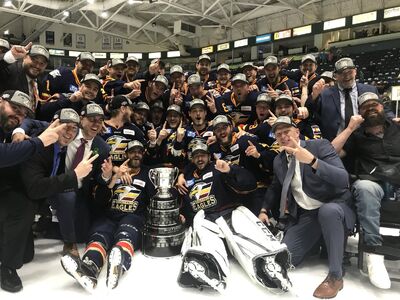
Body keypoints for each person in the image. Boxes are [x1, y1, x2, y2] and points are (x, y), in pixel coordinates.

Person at [259, 116, 356, 299]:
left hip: (335, 206)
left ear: (297, 131)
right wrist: (264, 210)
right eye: (278, 134)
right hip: (307, 214)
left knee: (328, 212)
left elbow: (343, 179)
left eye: (286, 131)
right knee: (287, 258)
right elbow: (275, 187)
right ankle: (316, 241)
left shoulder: (319, 146)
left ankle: (336, 276)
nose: (282, 136)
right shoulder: (279, 160)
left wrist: (312, 161)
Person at [177, 142, 291, 293]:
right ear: (191, 159)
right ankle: (206, 266)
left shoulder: (220, 167)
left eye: (203, 155)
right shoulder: (187, 179)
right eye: (196, 156)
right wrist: (184, 215)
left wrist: (230, 171)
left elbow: (249, 183)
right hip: (205, 217)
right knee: (203, 232)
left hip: (228, 212)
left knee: (243, 231)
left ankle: (268, 262)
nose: (200, 159)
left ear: (209, 156)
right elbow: (187, 204)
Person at [60, 140, 155, 292]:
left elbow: (154, 199)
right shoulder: (112, 173)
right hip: (109, 215)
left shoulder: (148, 173)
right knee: (99, 236)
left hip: (133, 217)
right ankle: (89, 269)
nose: (136, 154)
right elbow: (100, 200)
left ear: (143, 154)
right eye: (132, 151)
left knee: (126, 234)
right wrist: (113, 178)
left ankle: (119, 263)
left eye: (139, 151)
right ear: (126, 154)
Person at [331, 92, 398, 289]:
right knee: (364, 187)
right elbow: (331, 152)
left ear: (382, 107)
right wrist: (350, 128)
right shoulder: (357, 137)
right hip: (374, 183)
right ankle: (374, 253)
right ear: (359, 113)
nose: (371, 109)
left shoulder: (397, 128)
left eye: (374, 105)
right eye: (365, 107)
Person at [0, 90, 64, 293]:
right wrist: (39, 142)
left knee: (26, 253)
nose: (17, 117)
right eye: (15, 109)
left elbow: (32, 124)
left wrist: (22, 131)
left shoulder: (9, 126)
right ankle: (8, 267)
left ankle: (8, 261)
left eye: (22, 114)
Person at [312, 57, 381, 141]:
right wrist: (313, 96)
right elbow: (312, 112)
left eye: (350, 72)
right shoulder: (325, 94)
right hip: (337, 142)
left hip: (366, 140)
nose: (347, 76)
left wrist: (393, 118)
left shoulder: (370, 90)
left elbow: (382, 109)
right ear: (335, 76)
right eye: (342, 73)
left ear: (355, 71)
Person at [0, 43, 49, 114]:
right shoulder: (10, 70)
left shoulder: (40, 80)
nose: (37, 66)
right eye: (34, 60)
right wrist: (10, 56)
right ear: (25, 57)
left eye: (42, 63)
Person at [101, 95, 146, 166]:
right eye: (130, 109)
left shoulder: (134, 129)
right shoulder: (101, 127)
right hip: (103, 170)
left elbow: (144, 149)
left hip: (126, 171)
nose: (132, 112)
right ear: (123, 109)